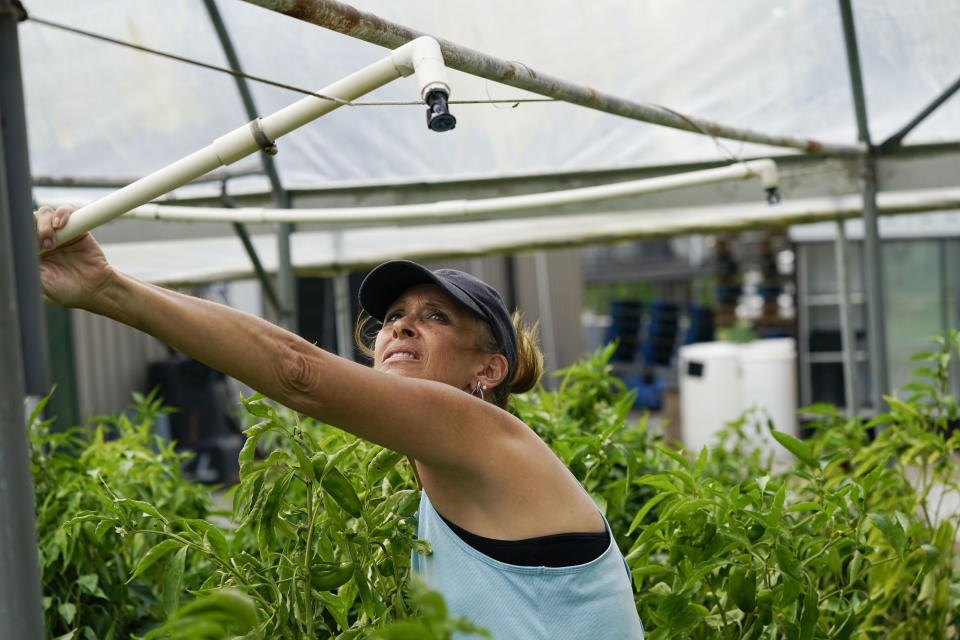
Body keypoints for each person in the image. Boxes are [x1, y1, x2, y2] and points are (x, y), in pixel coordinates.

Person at [34, 205, 645, 639]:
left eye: (435, 317)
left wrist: (105, 288)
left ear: (488, 369)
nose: (401, 326)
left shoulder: (489, 439)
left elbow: (299, 373)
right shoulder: (440, 486)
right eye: (394, 317)